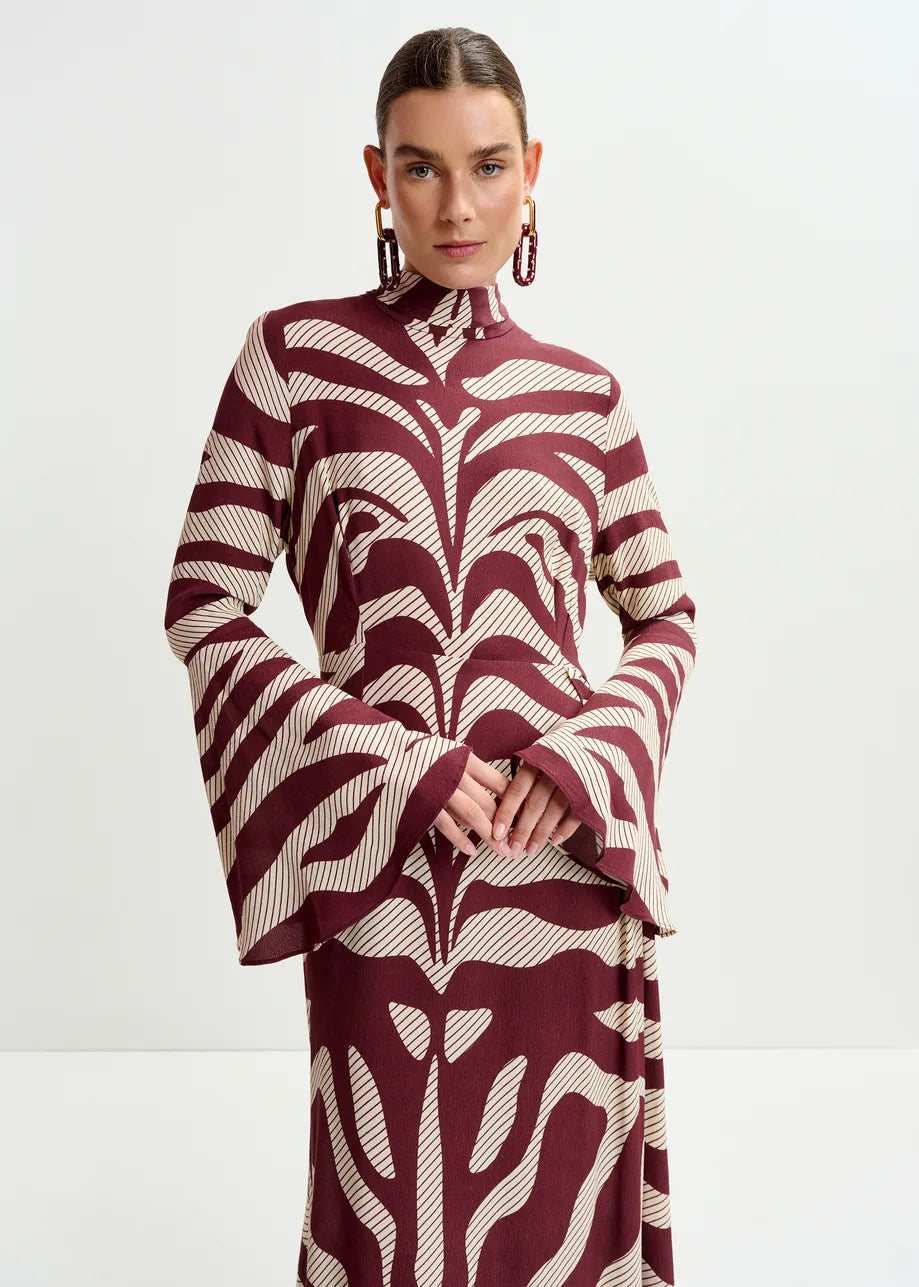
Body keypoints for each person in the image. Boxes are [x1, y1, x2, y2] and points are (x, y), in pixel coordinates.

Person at [163, 25, 698, 1287]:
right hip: (387, 865)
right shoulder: (293, 362)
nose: (455, 205)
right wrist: (389, 759)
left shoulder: (586, 395)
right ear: (375, 174)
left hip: (559, 871)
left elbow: (666, 613)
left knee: (556, 1197)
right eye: (419, 169)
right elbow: (203, 601)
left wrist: (585, 754)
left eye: (487, 166)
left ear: (532, 173)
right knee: (386, 1204)